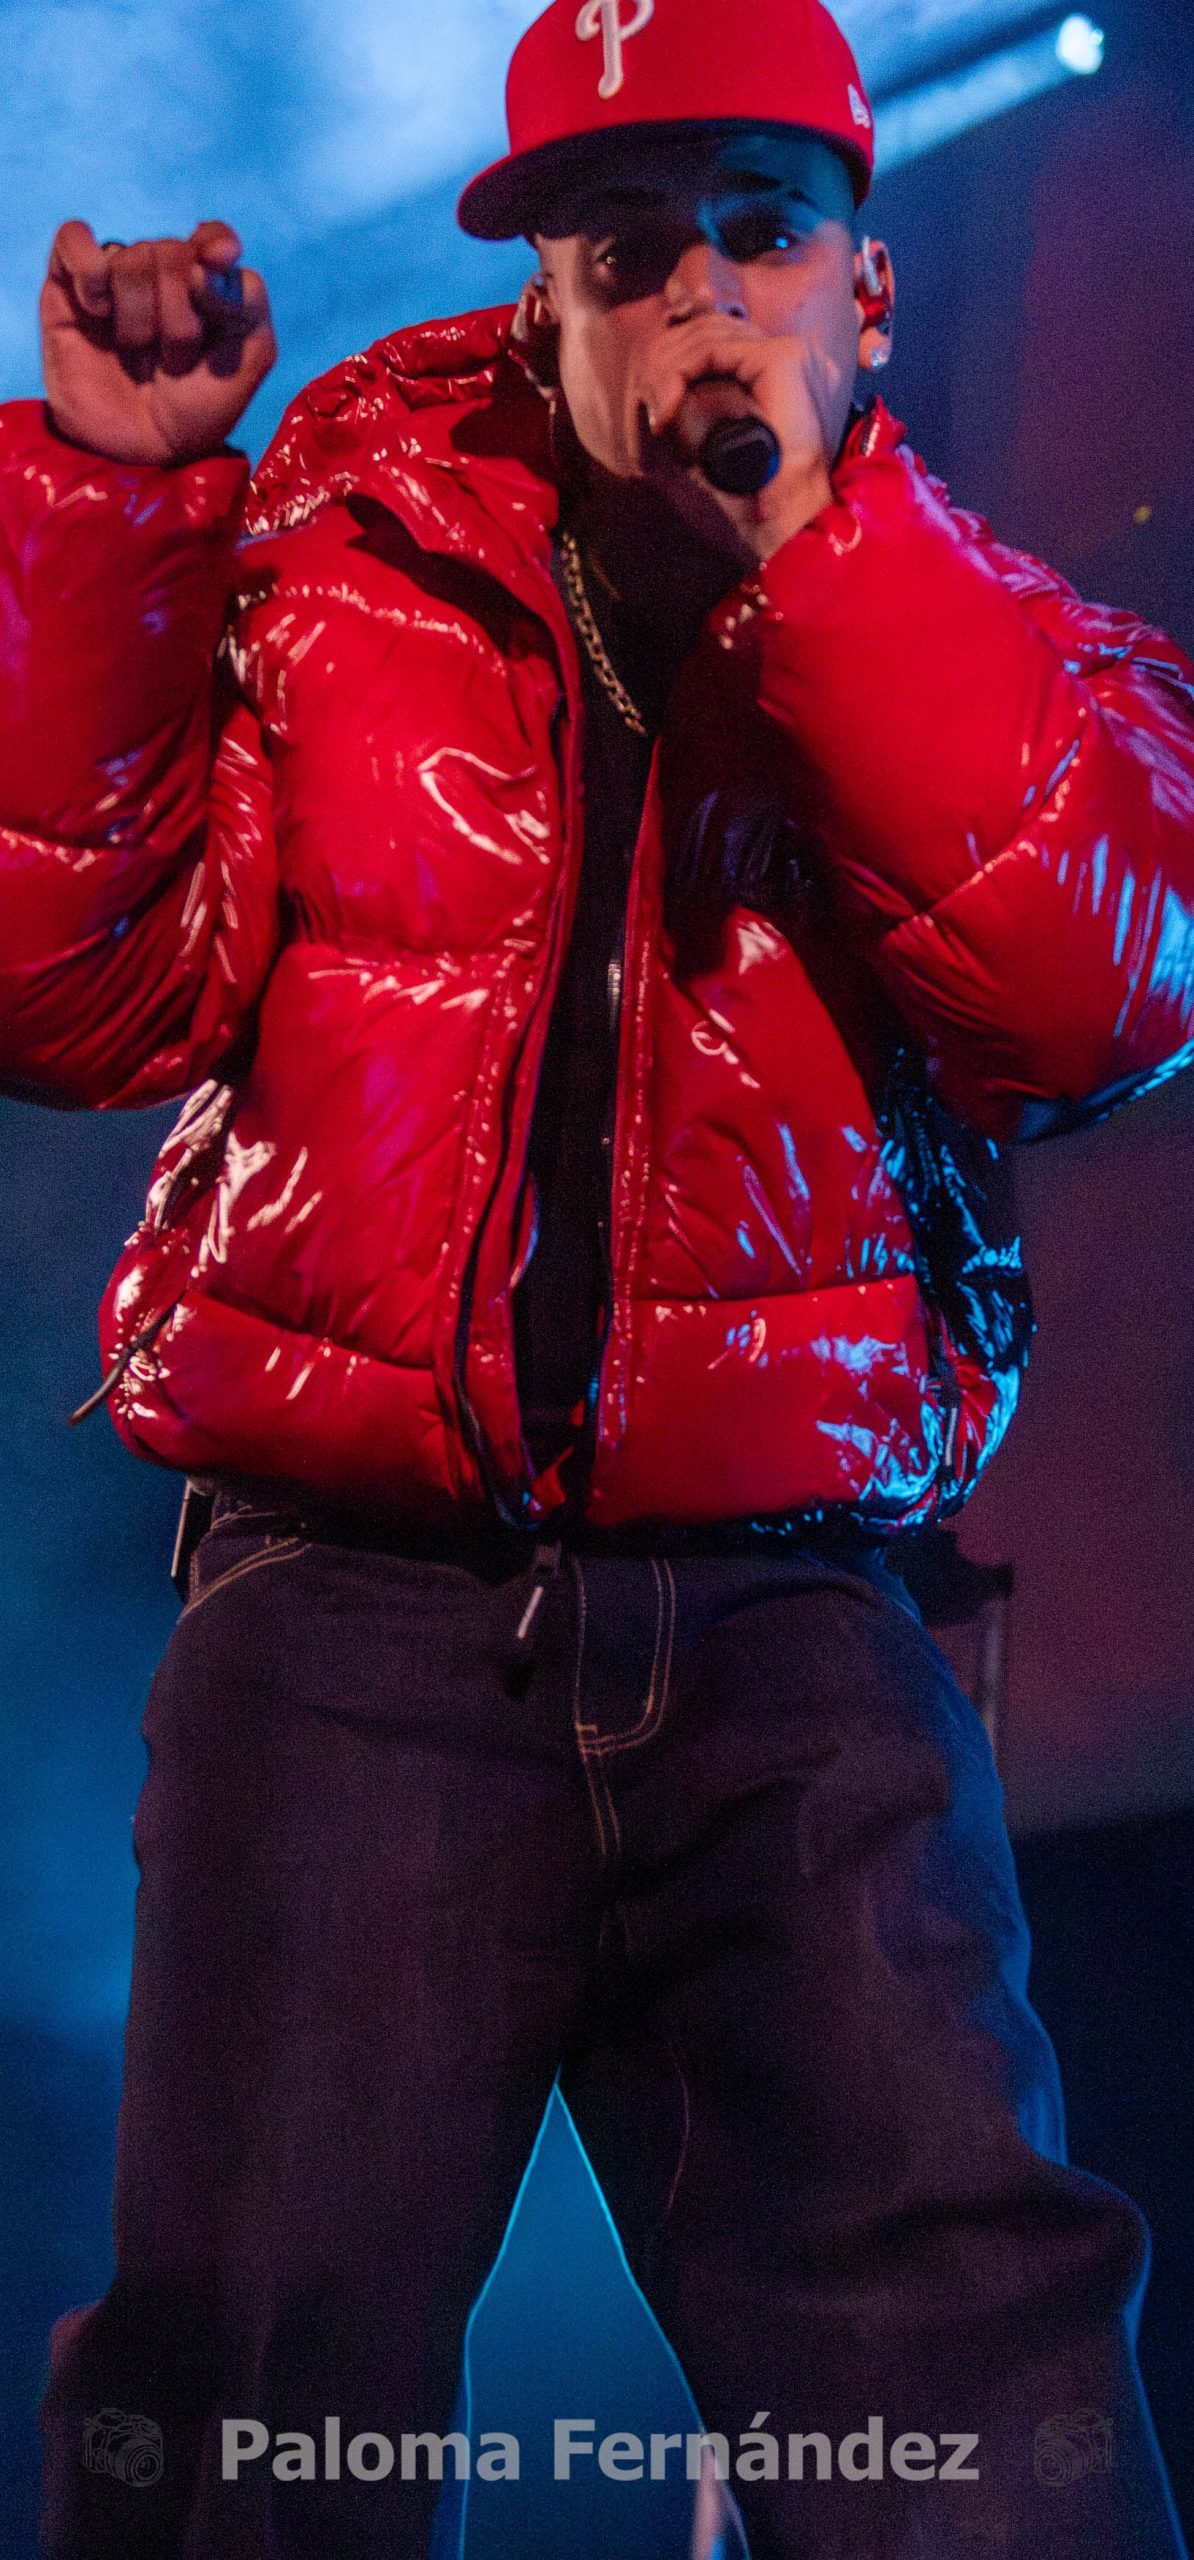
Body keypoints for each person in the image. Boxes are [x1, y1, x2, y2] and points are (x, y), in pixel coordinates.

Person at [3, 0, 1193, 2552]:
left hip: (789, 1617)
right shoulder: (318, 567)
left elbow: (1097, 997)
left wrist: (822, 558)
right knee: (249, 2396)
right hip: (351, 1613)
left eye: (761, 233)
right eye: (628, 245)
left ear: (871, 283)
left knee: (971, 2374)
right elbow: (66, 998)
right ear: (537, 295)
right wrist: (115, 509)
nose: (700, 301)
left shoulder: (1001, 633)